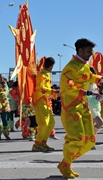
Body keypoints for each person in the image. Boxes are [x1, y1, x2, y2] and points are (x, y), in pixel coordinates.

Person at [57, 38, 102, 178]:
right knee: (77, 139)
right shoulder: (70, 67)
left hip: (83, 105)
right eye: (89, 51)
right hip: (71, 108)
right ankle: (66, 164)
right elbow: (68, 87)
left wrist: (99, 80)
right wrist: (87, 92)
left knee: (90, 140)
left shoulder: (84, 66)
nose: (90, 54)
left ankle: (66, 163)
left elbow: (90, 76)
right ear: (80, 50)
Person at [32, 57, 57, 151]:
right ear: (51, 66)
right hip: (40, 100)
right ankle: (37, 144)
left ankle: (43, 142)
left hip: (45, 100)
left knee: (51, 123)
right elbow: (42, 89)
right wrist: (53, 91)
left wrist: (52, 92)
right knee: (44, 123)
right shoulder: (42, 75)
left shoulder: (46, 74)